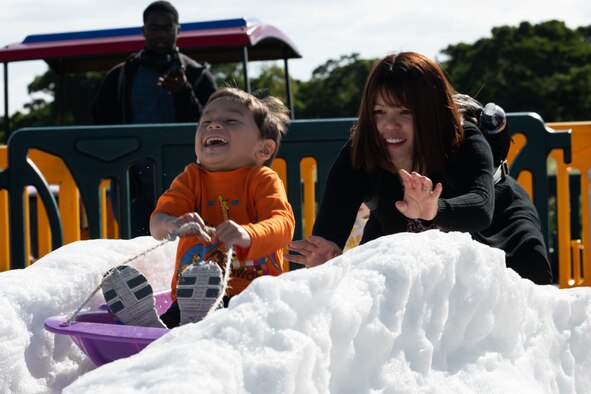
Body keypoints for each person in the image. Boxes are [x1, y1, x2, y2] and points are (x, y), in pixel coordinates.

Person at [285, 52, 552, 285]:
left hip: (497, 227)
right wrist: (327, 253)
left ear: (431, 114)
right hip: (400, 229)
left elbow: (481, 208)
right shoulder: (361, 152)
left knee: (527, 301)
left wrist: (434, 209)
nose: (390, 125)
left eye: (405, 112)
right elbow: (330, 229)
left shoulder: (464, 138)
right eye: (379, 112)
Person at [102, 87, 295, 329]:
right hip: (189, 295)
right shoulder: (191, 177)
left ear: (263, 149)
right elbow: (157, 224)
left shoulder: (263, 179)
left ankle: (175, 326)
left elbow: (283, 224)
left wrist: (248, 234)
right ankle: (155, 325)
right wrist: (172, 224)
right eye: (206, 121)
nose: (213, 126)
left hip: (252, 296)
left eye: (231, 120)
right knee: (180, 314)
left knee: (232, 321)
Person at [92, 1, 218, 237]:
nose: (161, 34)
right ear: (144, 31)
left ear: (178, 31)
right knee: (137, 247)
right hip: (134, 184)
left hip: (190, 181)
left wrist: (184, 92)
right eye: (154, 28)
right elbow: (100, 122)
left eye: (167, 28)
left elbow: (216, 126)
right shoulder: (120, 76)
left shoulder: (198, 76)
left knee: (191, 246)